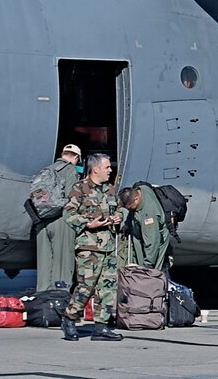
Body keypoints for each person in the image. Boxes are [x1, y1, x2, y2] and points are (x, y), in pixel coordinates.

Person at [60, 153, 123, 342]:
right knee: (86, 287)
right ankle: (70, 319)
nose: (110, 170)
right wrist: (89, 224)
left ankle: (101, 327)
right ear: (95, 169)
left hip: (108, 246)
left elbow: (118, 208)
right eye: (107, 167)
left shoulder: (110, 190)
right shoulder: (80, 188)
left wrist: (118, 217)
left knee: (108, 287)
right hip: (89, 247)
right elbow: (68, 215)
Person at [33, 144, 81, 292]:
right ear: (76, 157)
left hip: (42, 221)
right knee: (62, 265)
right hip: (61, 221)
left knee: (44, 267)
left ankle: (42, 301)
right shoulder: (70, 169)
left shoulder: (47, 170)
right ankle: (59, 299)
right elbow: (72, 198)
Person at [117, 184, 172, 271]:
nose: (129, 210)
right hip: (141, 237)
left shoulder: (148, 215)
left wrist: (148, 264)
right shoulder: (141, 189)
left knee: (151, 274)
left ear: (136, 199)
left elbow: (152, 242)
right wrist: (128, 224)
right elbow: (132, 212)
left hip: (154, 243)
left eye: (130, 207)